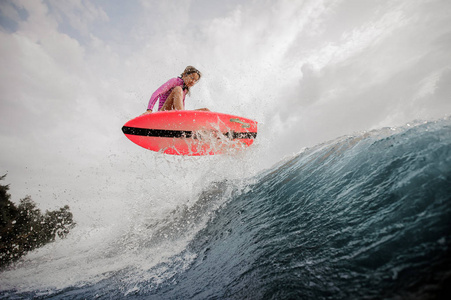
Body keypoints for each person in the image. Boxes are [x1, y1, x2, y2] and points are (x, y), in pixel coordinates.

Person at [144, 66, 209, 114]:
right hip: (163, 113)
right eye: (192, 78)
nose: (193, 82)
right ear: (184, 75)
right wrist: (149, 110)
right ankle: (182, 118)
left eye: (195, 80)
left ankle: (210, 130)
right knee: (178, 89)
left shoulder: (185, 90)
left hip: (176, 114)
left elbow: (180, 107)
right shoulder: (175, 81)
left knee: (206, 111)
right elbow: (157, 93)